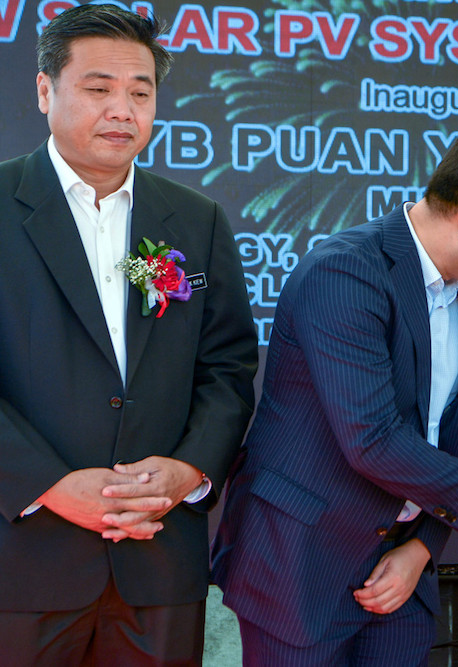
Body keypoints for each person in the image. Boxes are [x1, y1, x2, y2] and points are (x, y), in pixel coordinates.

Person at [211, 117, 458, 665]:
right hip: (303, 565)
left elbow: (451, 429)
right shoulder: (344, 274)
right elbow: (371, 440)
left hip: (402, 573)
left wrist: (423, 547)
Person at [0, 5, 258, 665]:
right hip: (21, 558)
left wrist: (185, 471)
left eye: (140, 92)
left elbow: (227, 367)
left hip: (158, 559)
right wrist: (53, 486)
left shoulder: (195, 220)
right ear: (43, 90)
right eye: (98, 88)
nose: (122, 108)